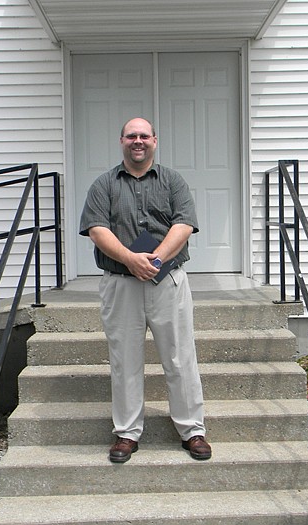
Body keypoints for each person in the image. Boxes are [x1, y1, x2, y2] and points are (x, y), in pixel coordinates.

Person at [79, 117, 211, 463]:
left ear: (154, 140)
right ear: (121, 141)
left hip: (166, 280)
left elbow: (184, 224)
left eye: (144, 136)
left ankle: (192, 429)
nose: (138, 141)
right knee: (125, 360)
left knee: (180, 356)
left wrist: (153, 260)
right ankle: (126, 433)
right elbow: (96, 228)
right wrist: (130, 259)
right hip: (120, 284)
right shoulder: (103, 184)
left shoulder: (173, 181)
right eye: (131, 136)